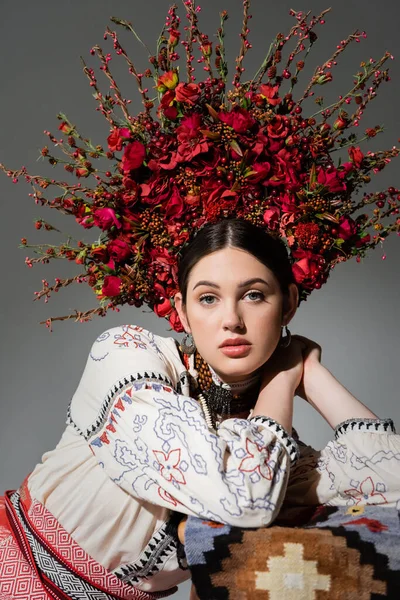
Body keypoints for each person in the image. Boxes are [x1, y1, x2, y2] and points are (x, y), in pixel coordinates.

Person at [1, 218, 398, 600]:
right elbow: (245, 496)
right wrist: (283, 375)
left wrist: (308, 370)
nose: (231, 320)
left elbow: (390, 482)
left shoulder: (265, 449)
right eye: (208, 298)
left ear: (289, 303)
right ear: (183, 310)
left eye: (254, 295)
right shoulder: (127, 356)